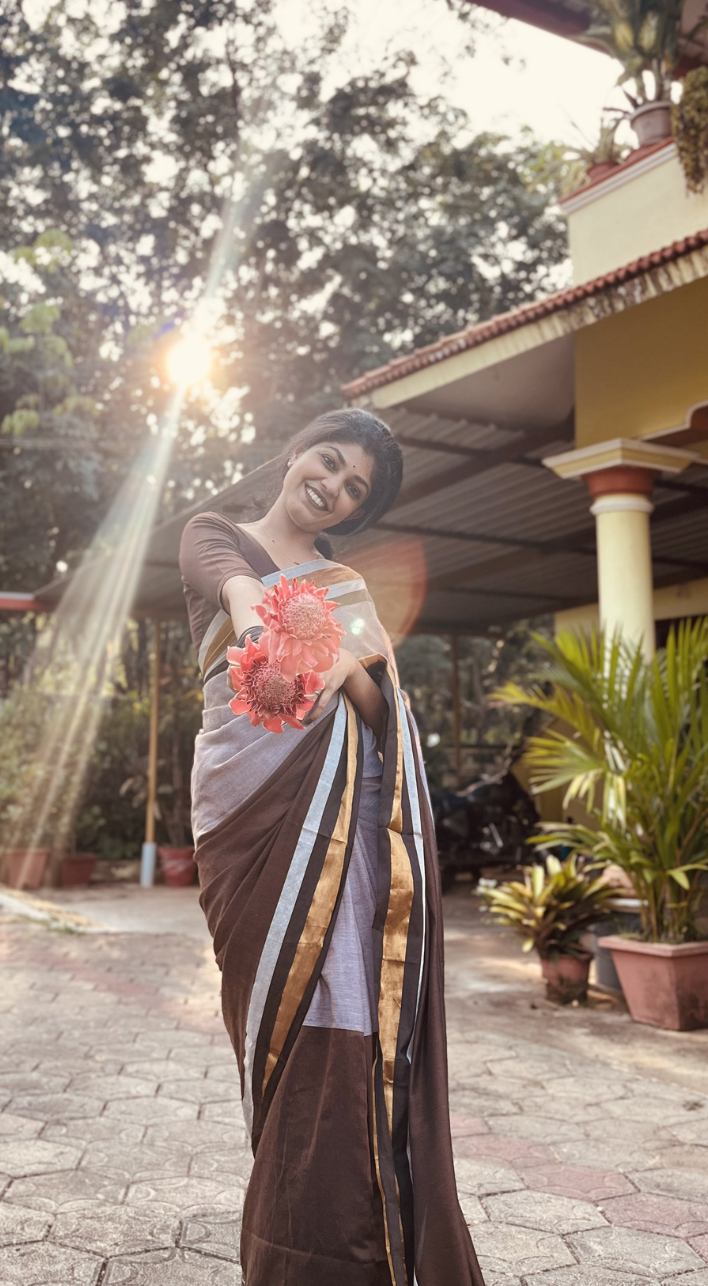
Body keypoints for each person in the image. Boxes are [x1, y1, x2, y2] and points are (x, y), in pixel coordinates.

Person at [179, 408, 484, 1286]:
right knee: (273, 1012)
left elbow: (387, 710)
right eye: (330, 462)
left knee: (347, 1010)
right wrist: (276, 621)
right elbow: (236, 589)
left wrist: (346, 669)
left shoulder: (346, 584)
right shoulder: (217, 532)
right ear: (296, 451)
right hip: (249, 813)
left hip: (346, 827)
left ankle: (341, 1245)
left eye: (355, 488)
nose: (334, 487)